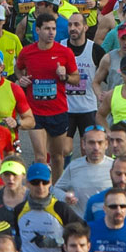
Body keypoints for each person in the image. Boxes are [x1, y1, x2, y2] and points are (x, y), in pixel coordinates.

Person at [15, 13, 80, 179]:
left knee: (58, 157)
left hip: (58, 111)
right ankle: (41, 189)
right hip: (35, 112)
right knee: (40, 156)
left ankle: (56, 190)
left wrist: (64, 75)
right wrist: (21, 78)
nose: (51, 32)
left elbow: (76, 78)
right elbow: (18, 68)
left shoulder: (64, 53)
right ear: (37, 30)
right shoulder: (27, 52)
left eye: (53, 29)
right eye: (47, 29)